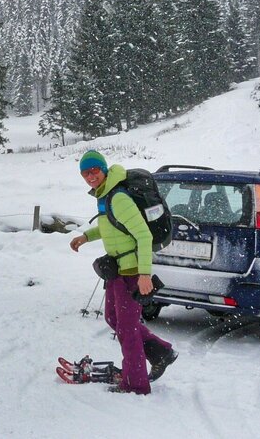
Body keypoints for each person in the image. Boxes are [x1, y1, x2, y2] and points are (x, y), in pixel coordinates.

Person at [70, 150, 177, 394]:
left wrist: (145, 274)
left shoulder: (118, 197)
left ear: (103, 169)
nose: (90, 176)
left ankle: (135, 383)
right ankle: (160, 352)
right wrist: (86, 236)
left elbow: (143, 235)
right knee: (114, 319)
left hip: (131, 271)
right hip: (117, 270)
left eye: (94, 170)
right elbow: (112, 227)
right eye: (85, 173)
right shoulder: (105, 195)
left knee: (127, 329)